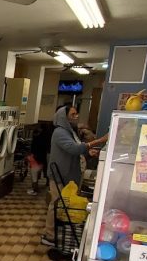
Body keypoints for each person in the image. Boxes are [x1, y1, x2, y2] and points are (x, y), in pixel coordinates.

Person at [41, 105, 107, 247]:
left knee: (62, 204)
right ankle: (49, 235)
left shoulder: (70, 132)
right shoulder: (60, 132)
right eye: (73, 114)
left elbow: (74, 150)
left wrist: (87, 153)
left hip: (67, 174)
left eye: (76, 113)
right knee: (56, 204)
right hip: (59, 175)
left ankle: (57, 232)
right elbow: (73, 148)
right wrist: (99, 141)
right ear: (64, 117)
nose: (76, 116)